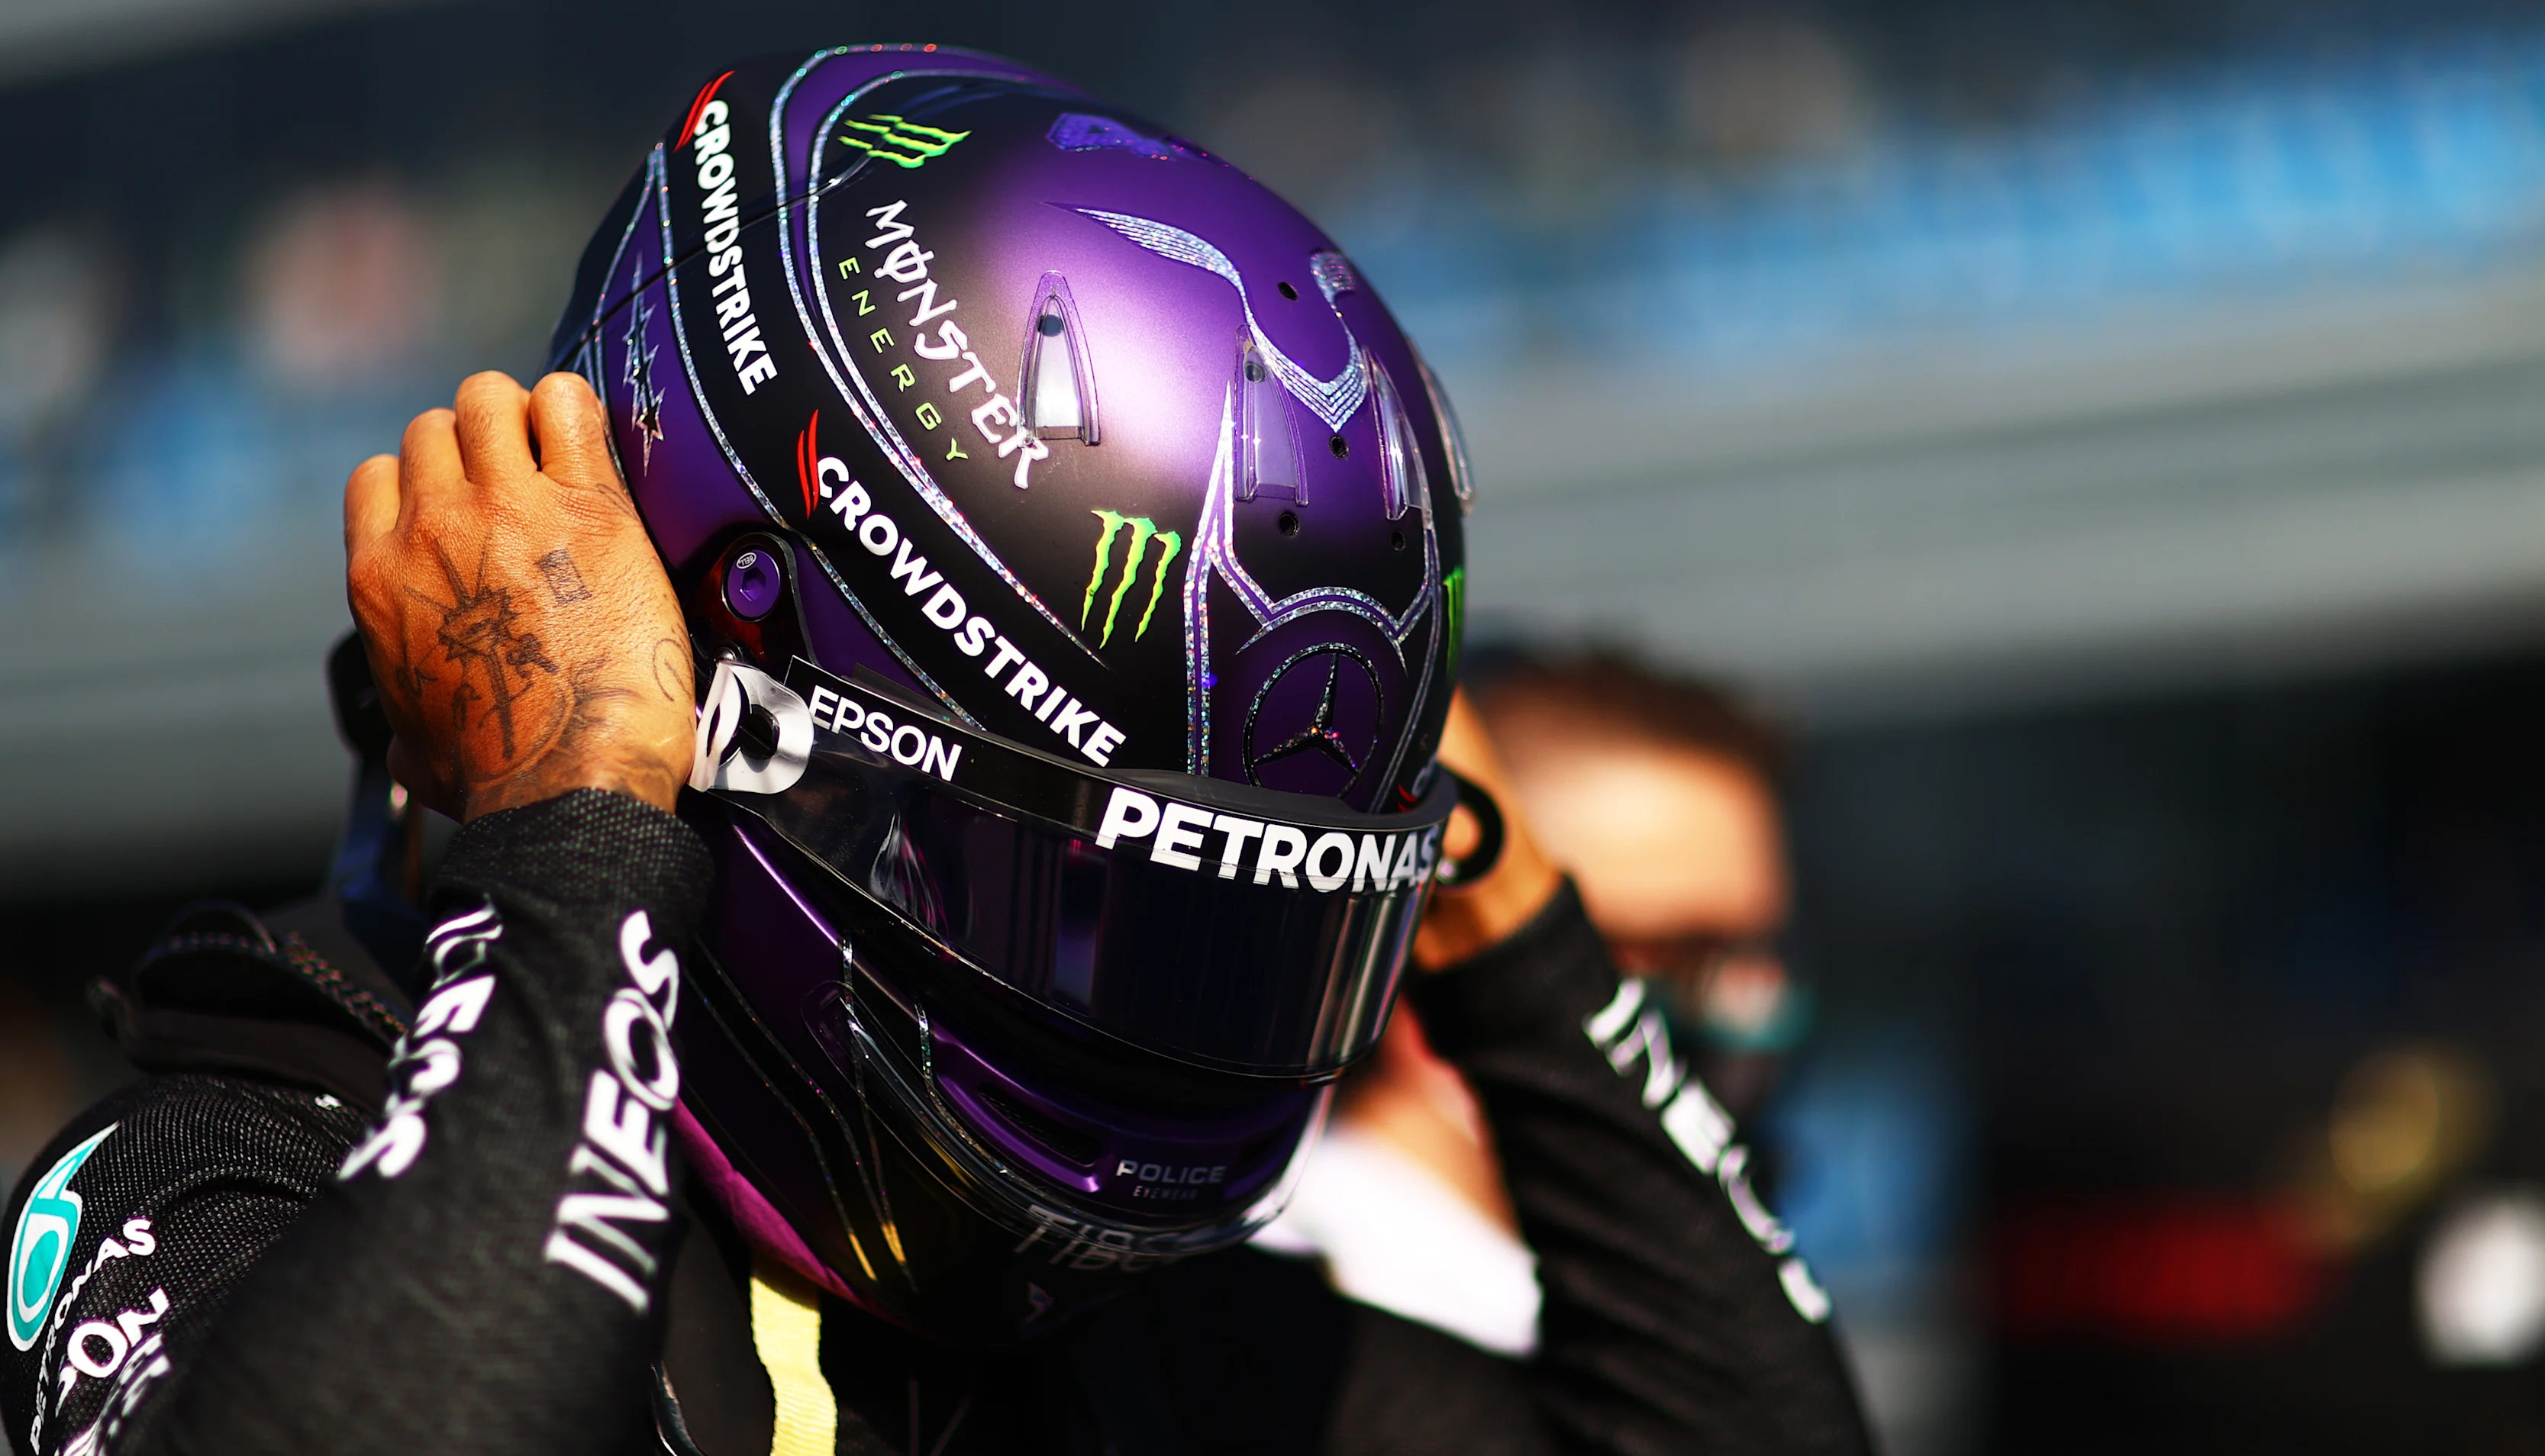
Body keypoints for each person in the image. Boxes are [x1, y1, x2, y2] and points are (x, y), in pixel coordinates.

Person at [1, 50, 1868, 1456]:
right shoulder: (233, 1156)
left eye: (1236, 951)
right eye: (1071, 911)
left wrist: (1503, 920)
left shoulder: (1121, 1342)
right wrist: (571, 831)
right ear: (696, 697)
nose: (1153, 1033)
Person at [1262, 649, 1810, 1360]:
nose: (1750, 1001)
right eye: (1679, 954)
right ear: (1451, 932)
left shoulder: (1695, 1301)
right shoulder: (1302, 1336)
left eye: (1759, 949)